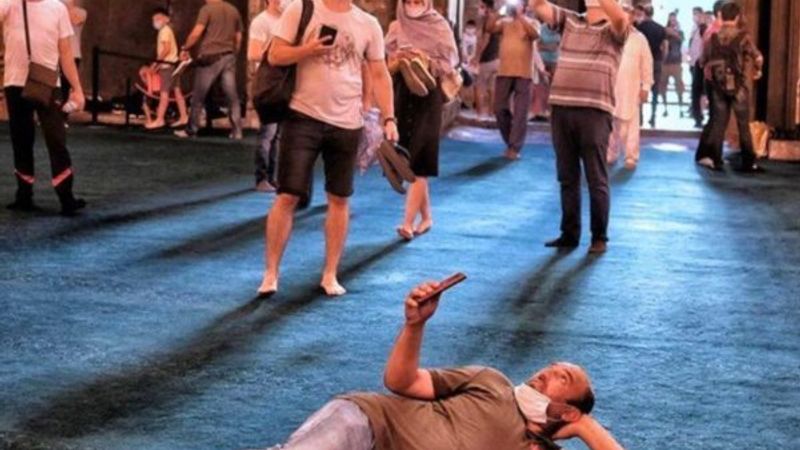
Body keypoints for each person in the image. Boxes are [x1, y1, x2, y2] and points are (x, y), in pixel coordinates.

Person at [265, 280, 624, 450]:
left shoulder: (531, 447)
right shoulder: (492, 381)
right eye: (552, 365)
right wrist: (415, 324)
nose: (548, 371)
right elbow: (401, 381)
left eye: (565, 377)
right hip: (367, 426)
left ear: (567, 411)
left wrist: (583, 427)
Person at [258, 0, 398, 297]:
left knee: (340, 198)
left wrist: (388, 117)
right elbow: (275, 54)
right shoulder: (300, 9)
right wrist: (306, 50)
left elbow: (379, 73)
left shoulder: (368, 23)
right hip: (302, 116)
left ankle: (330, 274)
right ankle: (270, 274)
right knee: (288, 195)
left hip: (347, 123)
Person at [533, 0, 628, 255]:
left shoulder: (616, 28)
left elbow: (618, 15)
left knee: (596, 177)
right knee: (567, 176)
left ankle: (599, 237)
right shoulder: (570, 20)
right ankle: (569, 233)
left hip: (595, 111)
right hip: (562, 107)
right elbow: (538, 5)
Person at [1, 0, 86, 216]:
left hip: (48, 84)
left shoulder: (56, 8)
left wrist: (77, 88)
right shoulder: (9, 4)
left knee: (56, 139)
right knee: (21, 139)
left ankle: (66, 197)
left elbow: (65, 53)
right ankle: (24, 195)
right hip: (15, 83)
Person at [386, 0, 458, 241]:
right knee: (409, 159)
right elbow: (386, 62)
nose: (414, 4)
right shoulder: (397, 26)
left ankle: (407, 223)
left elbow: (450, 62)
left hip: (429, 96)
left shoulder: (439, 26)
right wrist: (400, 58)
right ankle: (426, 217)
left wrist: (426, 61)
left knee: (420, 157)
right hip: (402, 95)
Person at [695, 2, 763, 173]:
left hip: (718, 86)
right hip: (739, 86)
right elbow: (758, 57)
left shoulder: (713, 38)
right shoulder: (743, 37)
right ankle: (748, 162)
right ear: (737, 17)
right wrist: (757, 71)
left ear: (721, 16)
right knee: (743, 124)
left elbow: (702, 61)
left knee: (719, 123)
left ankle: (716, 159)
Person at [175, 0, 244, 140]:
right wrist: (233, 54)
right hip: (229, 56)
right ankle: (237, 131)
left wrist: (185, 48)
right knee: (232, 96)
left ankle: (191, 130)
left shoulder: (207, 9)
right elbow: (238, 37)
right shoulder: (233, 10)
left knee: (198, 97)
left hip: (210, 57)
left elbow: (196, 32)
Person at [487, 0, 539, 160]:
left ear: (524, 6)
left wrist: (521, 17)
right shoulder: (504, 22)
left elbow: (535, 35)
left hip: (524, 73)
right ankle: (511, 140)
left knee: (520, 112)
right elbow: (489, 28)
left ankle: (514, 148)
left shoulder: (533, 22)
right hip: (504, 72)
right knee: (499, 108)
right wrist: (499, 9)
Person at [608, 4, 652, 171]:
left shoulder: (639, 38)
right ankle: (610, 153)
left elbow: (647, 64)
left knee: (631, 126)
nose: (625, 16)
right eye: (622, 12)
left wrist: (646, 87)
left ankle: (631, 156)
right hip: (609, 87)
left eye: (628, 13)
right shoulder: (607, 34)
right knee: (608, 124)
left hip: (631, 88)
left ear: (633, 16)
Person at [248, 0, 284, 192]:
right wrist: (277, 52)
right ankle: (261, 178)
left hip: (282, 83)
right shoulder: (261, 22)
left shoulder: (287, 21)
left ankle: (272, 177)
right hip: (268, 83)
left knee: (277, 135)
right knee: (268, 133)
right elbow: (253, 53)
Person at [145, 7, 189, 130]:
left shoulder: (164, 31)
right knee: (177, 91)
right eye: (154, 19)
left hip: (167, 66)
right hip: (173, 64)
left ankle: (159, 119)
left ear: (166, 19)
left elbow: (166, 49)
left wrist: (156, 64)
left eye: (158, 18)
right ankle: (184, 116)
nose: (155, 21)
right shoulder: (168, 30)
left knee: (164, 93)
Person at [634, 3, 665, 128]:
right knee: (655, 90)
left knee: (640, 88)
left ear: (645, 13)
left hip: (641, 61)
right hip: (656, 60)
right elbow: (665, 46)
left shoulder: (640, 28)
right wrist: (662, 58)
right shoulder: (660, 28)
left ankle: (640, 117)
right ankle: (653, 116)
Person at [472, 0, 500, 120]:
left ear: (487, 7)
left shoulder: (489, 19)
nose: (479, 8)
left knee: (478, 86)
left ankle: (479, 114)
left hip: (487, 58)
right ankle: (492, 114)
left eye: (481, 6)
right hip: (496, 57)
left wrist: (477, 57)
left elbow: (485, 40)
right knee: (492, 87)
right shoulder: (498, 18)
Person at [59, 0, 85, 114]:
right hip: (57, 53)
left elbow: (74, 20)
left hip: (74, 53)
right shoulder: (57, 10)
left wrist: (66, 7)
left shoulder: (81, 12)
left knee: (66, 85)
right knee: (56, 86)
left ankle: (63, 116)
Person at [659, 12, 684, 118]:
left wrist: (674, 32)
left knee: (679, 86)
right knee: (662, 86)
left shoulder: (680, 32)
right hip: (665, 62)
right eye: (671, 19)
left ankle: (680, 107)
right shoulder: (663, 31)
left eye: (674, 20)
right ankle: (665, 107)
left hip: (676, 62)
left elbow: (681, 40)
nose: (673, 21)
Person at [688, 6, 708, 128]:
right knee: (696, 91)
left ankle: (699, 115)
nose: (695, 16)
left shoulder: (704, 28)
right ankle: (697, 115)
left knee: (700, 91)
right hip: (694, 63)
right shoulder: (694, 29)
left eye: (697, 14)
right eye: (694, 14)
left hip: (701, 64)